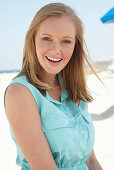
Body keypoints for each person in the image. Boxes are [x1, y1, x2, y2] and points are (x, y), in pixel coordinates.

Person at [4, 3, 103, 170]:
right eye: (47, 38)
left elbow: (91, 161)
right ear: (33, 39)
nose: (56, 50)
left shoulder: (72, 87)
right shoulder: (20, 93)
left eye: (66, 41)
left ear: (75, 46)